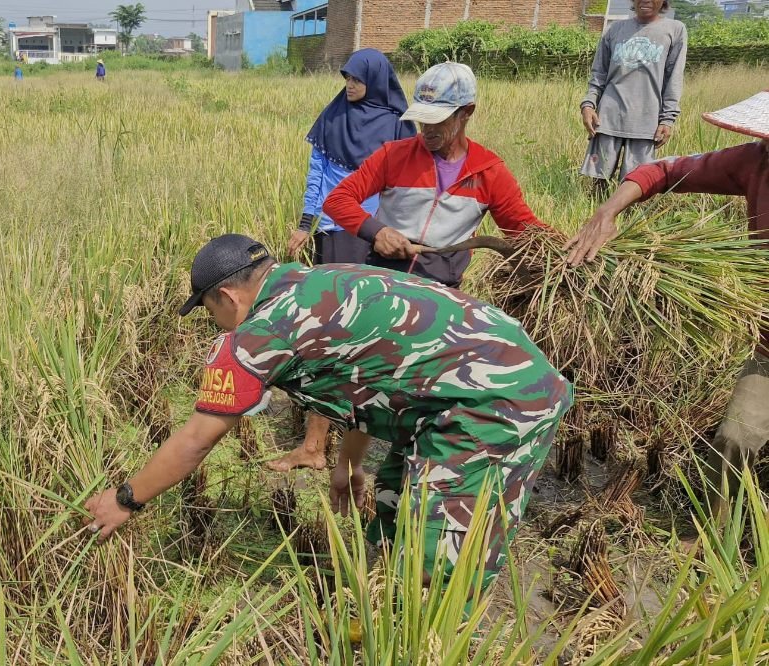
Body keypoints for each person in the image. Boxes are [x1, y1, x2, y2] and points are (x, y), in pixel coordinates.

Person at [84, 234, 573, 593]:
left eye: (210, 311)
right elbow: (372, 377)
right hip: (462, 388)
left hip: (494, 401)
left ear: (228, 298)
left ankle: (423, 633)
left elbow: (196, 439)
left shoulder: (260, 333)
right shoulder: (315, 281)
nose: (214, 323)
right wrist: (349, 464)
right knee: (392, 499)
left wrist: (126, 500)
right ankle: (380, 597)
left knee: (439, 560)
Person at [565, 89, 769, 519]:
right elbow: (661, 170)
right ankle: (711, 538)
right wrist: (607, 212)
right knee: (735, 438)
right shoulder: (755, 162)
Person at [271, 48, 416, 473]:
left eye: (356, 78)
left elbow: (407, 185)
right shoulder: (332, 118)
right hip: (336, 234)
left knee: (375, 335)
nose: (349, 85)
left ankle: (375, 437)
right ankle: (315, 445)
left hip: (380, 237)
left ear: (374, 79)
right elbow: (317, 175)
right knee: (331, 331)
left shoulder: (398, 126)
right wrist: (305, 223)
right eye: (345, 77)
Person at [323, 62, 550, 290]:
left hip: (441, 290)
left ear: (466, 112)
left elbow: (524, 230)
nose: (427, 129)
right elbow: (337, 200)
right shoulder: (393, 155)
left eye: (438, 120)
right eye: (423, 119)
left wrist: (567, 249)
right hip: (383, 280)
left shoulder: (489, 171)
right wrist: (378, 232)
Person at [580, 0, 687, 189]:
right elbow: (599, 73)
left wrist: (667, 119)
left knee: (635, 185)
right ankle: (595, 217)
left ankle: (626, 218)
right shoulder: (615, 29)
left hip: (646, 121)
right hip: (608, 118)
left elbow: (674, 78)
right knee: (598, 182)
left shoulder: (675, 30)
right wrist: (588, 105)